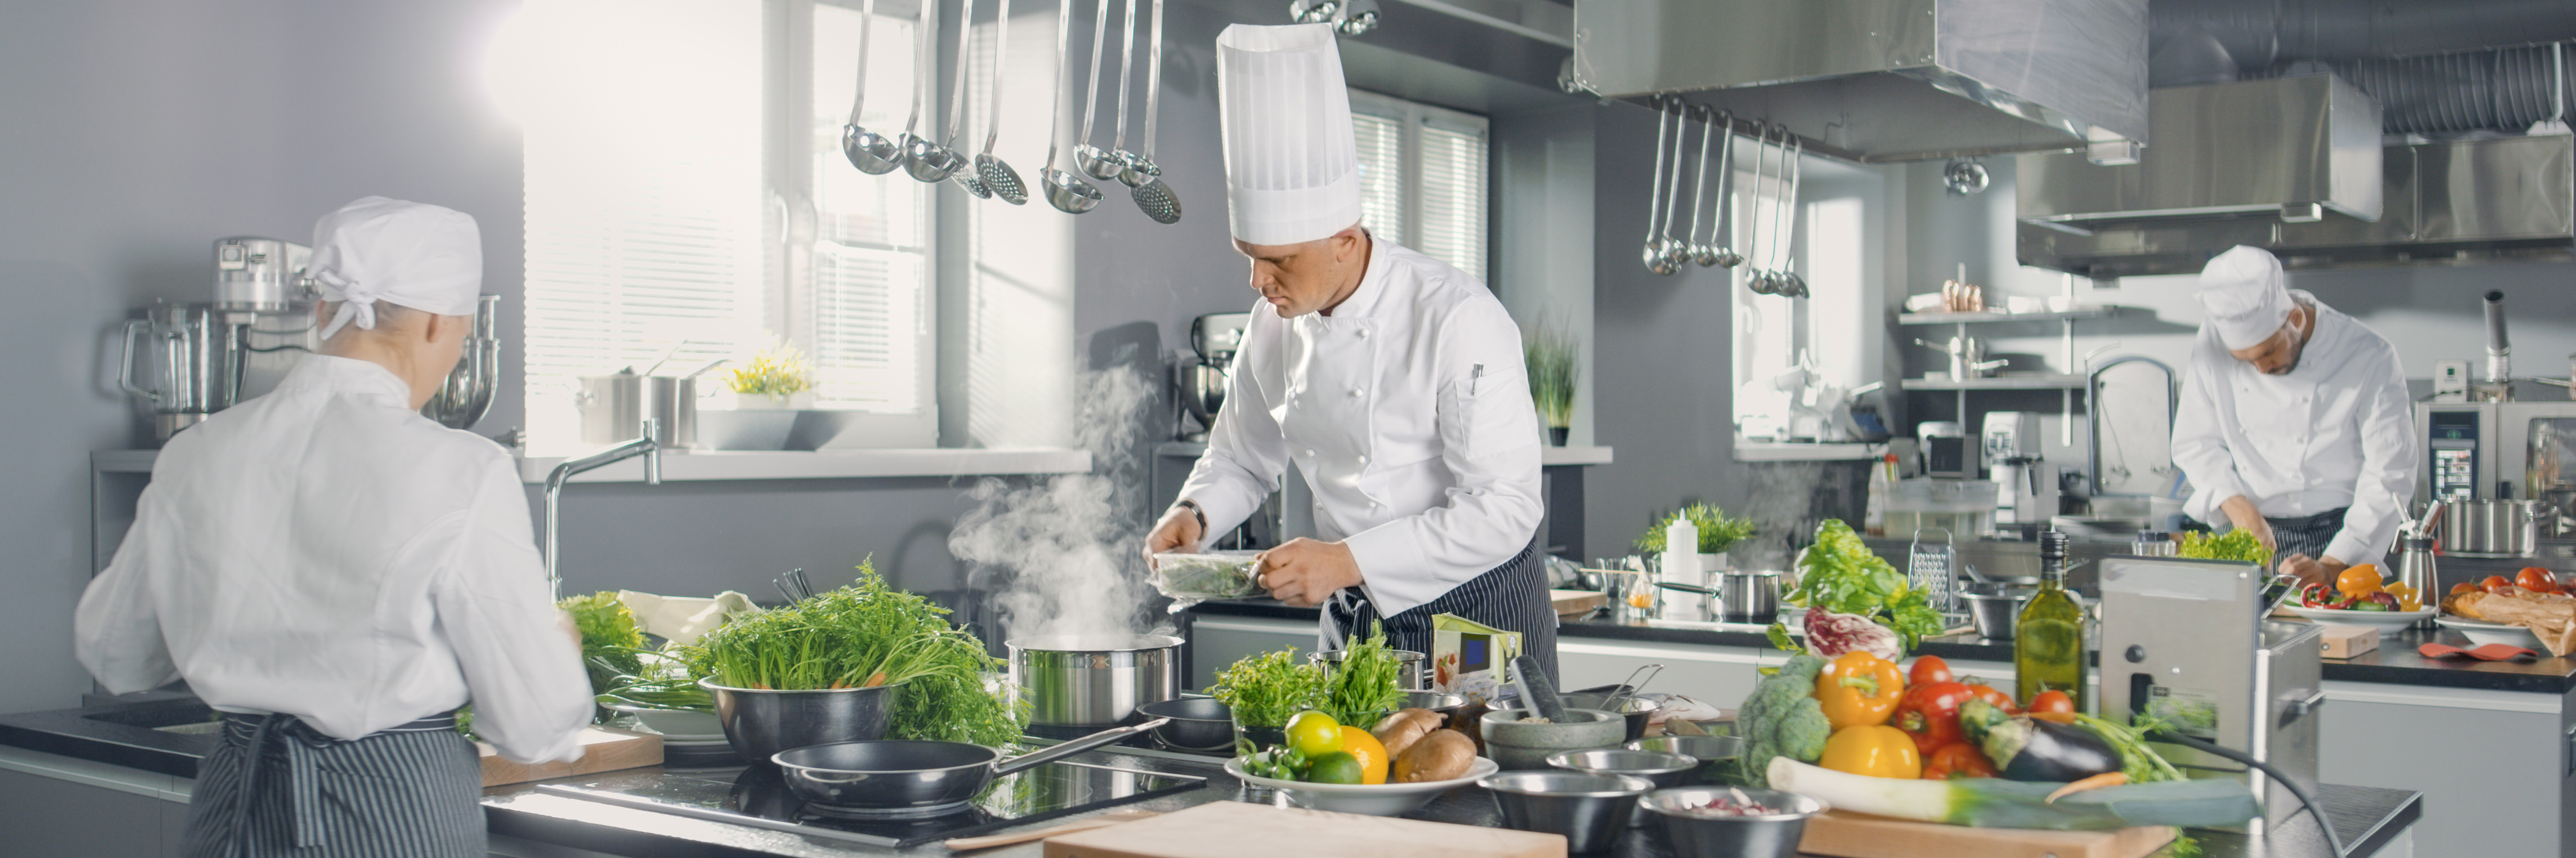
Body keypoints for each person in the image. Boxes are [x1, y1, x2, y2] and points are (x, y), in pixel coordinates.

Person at [75, 196, 594, 858]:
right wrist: (556, 650)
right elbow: (533, 722)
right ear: (439, 323)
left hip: (234, 804)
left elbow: (116, 652)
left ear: (323, 313)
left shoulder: (195, 453)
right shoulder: (463, 468)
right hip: (392, 813)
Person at [1143, 23, 1554, 678]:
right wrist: (1194, 513)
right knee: (1342, 774)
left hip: (1476, 617)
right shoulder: (1272, 326)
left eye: (1278, 260)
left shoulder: (1456, 316)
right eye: (1248, 257)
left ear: (1344, 236)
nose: (1258, 282)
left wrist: (1348, 558)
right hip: (1356, 616)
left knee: (1472, 777)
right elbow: (1242, 460)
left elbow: (1505, 508)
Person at [2171, 245, 2415, 588]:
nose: (2261, 368)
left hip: (2339, 539)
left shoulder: (2368, 354)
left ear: (2296, 319)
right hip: (2246, 530)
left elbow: (2390, 472)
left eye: (2269, 352)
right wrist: (2242, 512)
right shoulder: (2212, 342)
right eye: (2245, 361)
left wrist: (2333, 565)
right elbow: (2196, 443)